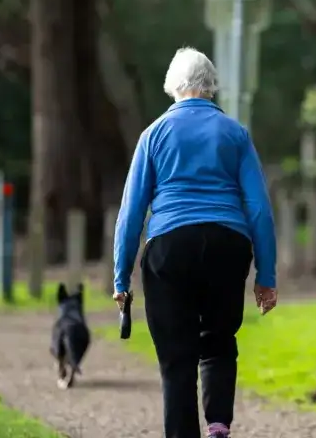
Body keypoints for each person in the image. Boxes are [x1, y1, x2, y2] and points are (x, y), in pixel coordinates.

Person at [111, 47, 278, 438]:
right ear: (211, 86)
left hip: (170, 246)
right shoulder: (235, 134)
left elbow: (131, 214)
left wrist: (121, 277)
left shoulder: (153, 135)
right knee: (219, 340)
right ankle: (218, 425)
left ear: (173, 86)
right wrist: (265, 275)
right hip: (227, 244)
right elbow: (258, 209)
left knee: (176, 359)